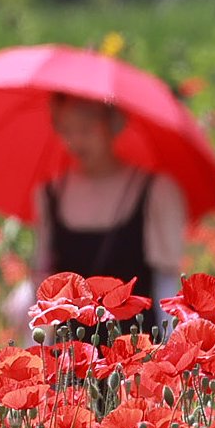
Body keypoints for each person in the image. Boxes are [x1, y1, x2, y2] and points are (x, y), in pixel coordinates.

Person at [29, 93, 187, 343]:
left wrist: (171, 345)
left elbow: (165, 281)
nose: (76, 140)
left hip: (136, 341)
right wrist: (34, 346)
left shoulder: (155, 190)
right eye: (67, 130)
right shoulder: (50, 194)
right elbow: (42, 276)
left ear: (113, 124)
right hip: (70, 348)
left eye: (86, 129)